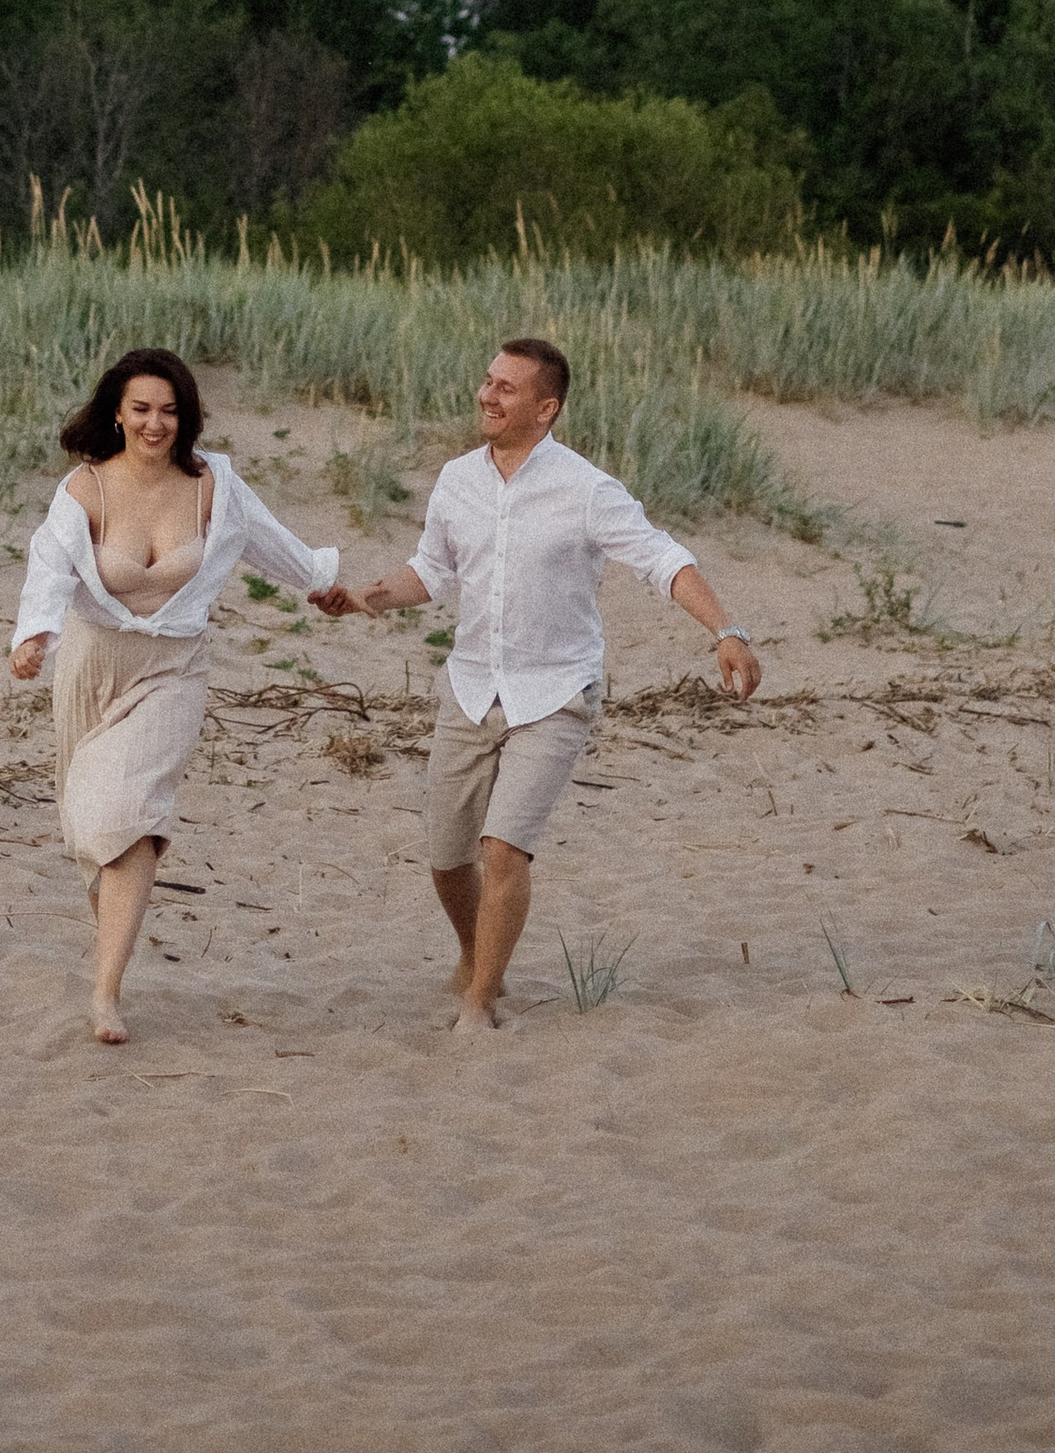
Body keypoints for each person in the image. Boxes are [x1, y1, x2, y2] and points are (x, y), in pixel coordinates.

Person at [318, 335, 761, 1034]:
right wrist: (367, 596)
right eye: (488, 381)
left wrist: (726, 631)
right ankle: (476, 955)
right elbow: (431, 570)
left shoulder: (587, 490)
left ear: (545, 408)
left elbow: (661, 558)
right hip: (469, 688)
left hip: (555, 692)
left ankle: (481, 1001)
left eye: (506, 388)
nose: (487, 396)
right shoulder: (456, 479)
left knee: (503, 849)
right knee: (445, 858)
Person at [11, 345, 341, 1045]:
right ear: (117, 414)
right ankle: (113, 958)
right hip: (93, 665)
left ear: (185, 416)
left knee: (129, 813)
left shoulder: (213, 481)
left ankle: (105, 995)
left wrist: (319, 580)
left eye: (169, 410)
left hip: (175, 666)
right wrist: (32, 636)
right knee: (89, 830)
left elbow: (267, 540)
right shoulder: (85, 488)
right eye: (141, 410)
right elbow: (49, 565)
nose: (155, 424)